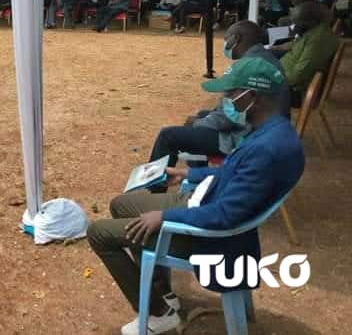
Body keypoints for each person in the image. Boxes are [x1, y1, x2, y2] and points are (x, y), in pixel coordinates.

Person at [88, 57, 304, 335]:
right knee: (121, 204)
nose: (226, 100)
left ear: (252, 97)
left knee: (99, 234)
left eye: (230, 93)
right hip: (204, 201)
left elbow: (225, 215)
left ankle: (158, 313)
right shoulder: (272, 131)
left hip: (206, 234)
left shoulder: (268, 149)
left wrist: (164, 217)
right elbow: (233, 174)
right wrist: (189, 176)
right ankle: (160, 292)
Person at [146, 20, 290, 175]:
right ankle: (199, 171)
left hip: (246, 137)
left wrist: (198, 123)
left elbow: (227, 119)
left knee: (168, 136)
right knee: (202, 115)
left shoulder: (248, 67)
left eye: (226, 39)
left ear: (236, 39)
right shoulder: (266, 58)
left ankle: (153, 186)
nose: (225, 44)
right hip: (265, 130)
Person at [281, 2, 339, 107]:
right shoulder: (315, 31)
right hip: (285, 77)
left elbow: (298, 76)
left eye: (298, 23)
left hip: (293, 90)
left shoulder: (318, 40)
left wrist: (273, 77)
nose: (296, 26)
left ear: (309, 21)